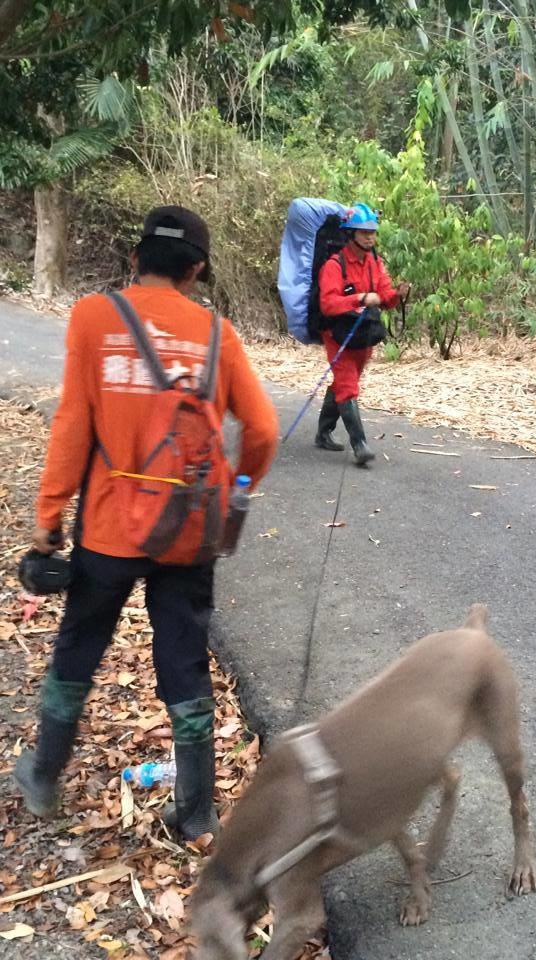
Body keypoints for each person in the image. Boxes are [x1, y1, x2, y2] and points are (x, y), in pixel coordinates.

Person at [14, 206, 279, 840]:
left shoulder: (94, 318)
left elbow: (73, 426)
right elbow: (264, 429)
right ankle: (193, 812)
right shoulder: (217, 334)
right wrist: (239, 487)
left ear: (135, 260)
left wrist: (49, 516)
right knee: (185, 660)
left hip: (108, 529)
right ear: (197, 269)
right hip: (190, 530)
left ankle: (45, 775)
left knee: (80, 644)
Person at [314, 203, 409, 464]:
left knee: (345, 383)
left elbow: (385, 296)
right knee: (348, 385)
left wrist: (396, 295)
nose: (370, 237)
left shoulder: (375, 263)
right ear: (350, 234)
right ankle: (360, 445)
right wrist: (361, 298)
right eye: (364, 232)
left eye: (373, 232)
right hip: (337, 334)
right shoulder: (334, 266)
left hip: (362, 334)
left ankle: (323, 433)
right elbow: (328, 304)